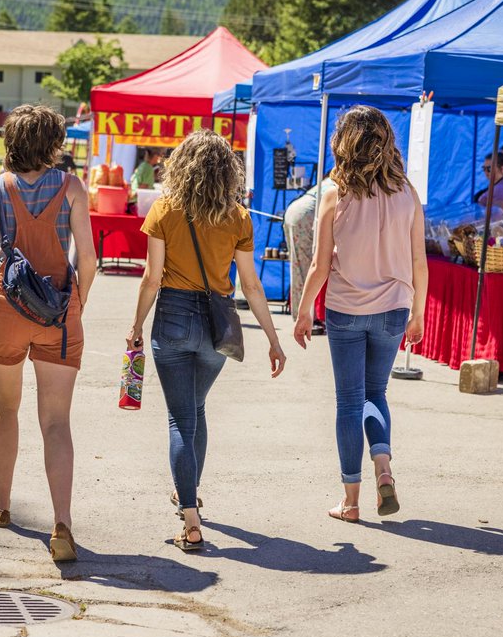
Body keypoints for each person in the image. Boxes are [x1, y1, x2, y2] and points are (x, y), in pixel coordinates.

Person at [127, 130, 286, 553]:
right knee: (195, 410)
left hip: (173, 319)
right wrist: (273, 340)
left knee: (182, 418)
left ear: (181, 166)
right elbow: (251, 285)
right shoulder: (239, 218)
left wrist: (136, 325)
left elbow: (151, 278)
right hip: (218, 325)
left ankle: (191, 520)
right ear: (227, 173)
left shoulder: (164, 210)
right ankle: (188, 490)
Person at [0, 104, 97, 563]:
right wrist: (78, 299)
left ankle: (2, 506)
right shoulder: (72, 187)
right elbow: (88, 258)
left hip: (9, 306)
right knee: (57, 421)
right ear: (53, 144)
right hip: (59, 310)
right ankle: (61, 523)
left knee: (5, 406)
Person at [293, 105, 428, 524]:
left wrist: (303, 312)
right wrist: (419, 313)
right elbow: (419, 261)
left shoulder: (334, 194)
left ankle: (350, 502)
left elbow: (318, 266)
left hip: (346, 309)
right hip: (394, 309)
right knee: (377, 393)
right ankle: (383, 466)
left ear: (344, 144)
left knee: (349, 402)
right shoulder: (407, 193)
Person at [283, 179, 333, 332]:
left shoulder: (329, 181)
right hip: (308, 214)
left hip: (295, 211)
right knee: (309, 268)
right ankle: (308, 317)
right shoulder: (342, 183)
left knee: (298, 267)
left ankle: (302, 315)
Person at [475, 151, 503, 222]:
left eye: (489, 169)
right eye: (484, 169)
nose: (486, 172)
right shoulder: (498, 185)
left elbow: (495, 219)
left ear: (502, 169)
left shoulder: (502, 190)